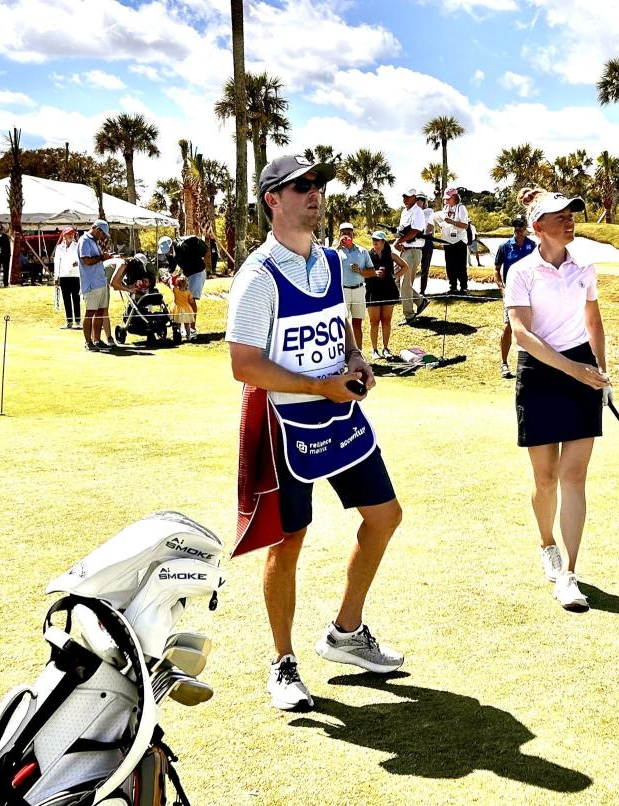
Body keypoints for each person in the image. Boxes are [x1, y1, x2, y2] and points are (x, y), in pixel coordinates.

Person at [226, 154, 404, 713]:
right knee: (289, 540)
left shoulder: (329, 260)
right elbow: (244, 364)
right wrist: (316, 385)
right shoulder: (258, 277)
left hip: (339, 412)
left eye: (318, 185)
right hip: (285, 424)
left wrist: (356, 359)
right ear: (271, 200)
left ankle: (345, 633)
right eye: (300, 186)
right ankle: (283, 662)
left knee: (385, 516)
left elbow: (338, 332)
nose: (315, 194)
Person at [504, 187, 610, 613]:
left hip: (582, 370)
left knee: (574, 477)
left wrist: (601, 373)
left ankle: (569, 573)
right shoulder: (521, 272)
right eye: (559, 215)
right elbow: (523, 334)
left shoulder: (585, 267)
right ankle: (546, 544)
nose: (569, 220)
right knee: (545, 478)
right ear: (537, 227)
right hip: (540, 373)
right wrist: (574, 371)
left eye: (572, 213)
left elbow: (593, 319)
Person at [493, 216, 537, 379]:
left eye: (521, 226)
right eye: (515, 226)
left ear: (526, 227)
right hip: (511, 293)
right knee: (508, 326)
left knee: (533, 327)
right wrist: (502, 288)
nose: (518, 229)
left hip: (531, 292)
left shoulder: (532, 246)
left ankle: (533, 363)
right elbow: (497, 270)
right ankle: (504, 363)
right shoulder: (505, 247)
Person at [367, 230, 406, 360]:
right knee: (374, 322)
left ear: (383, 242)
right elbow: (363, 271)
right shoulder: (368, 255)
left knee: (386, 321)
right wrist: (372, 273)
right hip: (373, 290)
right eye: (373, 239)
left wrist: (394, 276)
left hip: (388, 290)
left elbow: (405, 266)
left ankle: (385, 348)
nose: (374, 242)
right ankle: (374, 350)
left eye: (377, 240)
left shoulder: (390, 255)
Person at [392, 188, 429, 323]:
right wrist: (399, 241)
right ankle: (420, 301)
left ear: (414, 197)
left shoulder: (418, 211)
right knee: (397, 280)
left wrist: (400, 241)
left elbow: (415, 231)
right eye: (404, 196)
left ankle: (409, 315)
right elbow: (403, 231)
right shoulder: (404, 212)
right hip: (405, 250)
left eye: (408, 197)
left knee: (404, 284)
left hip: (413, 250)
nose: (405, 199)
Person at [335, 222, 373, 351]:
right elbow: (324, 261)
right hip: (342, 291)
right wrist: (338, 246)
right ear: (339, 234)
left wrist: (360, 271)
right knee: (341, 324)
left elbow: (372, 271)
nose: (346, 235)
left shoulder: (362, 251)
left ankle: (358, 352)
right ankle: (342, 354)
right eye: (343, 232)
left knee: (357, 323)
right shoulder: (335, 251)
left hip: (359, 289)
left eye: (349, 232)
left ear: (353, 234)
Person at [77, 220, 113, 351]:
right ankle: (88, 342)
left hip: (100, 282)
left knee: (100, 312)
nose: (103, 237)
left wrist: (103, 257)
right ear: (96, 229)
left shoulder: (93, 241)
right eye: (103, 234)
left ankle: (97, 340)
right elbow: (86, 260)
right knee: (90, 312)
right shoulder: (84, 240)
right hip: (91, 284)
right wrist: (102, 257)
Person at [440, 187, 469, 294]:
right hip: (447, 240)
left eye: (449, 198)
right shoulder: (445, 208)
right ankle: (452, 287)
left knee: (460, 265)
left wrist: (452, 222)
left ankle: (463, 287)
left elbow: (465, 225)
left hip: (459, 240)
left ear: (455, 197)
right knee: (450, 265)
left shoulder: (461, 208)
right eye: (446, 198)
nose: (447, 200)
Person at [53, 226, 81, 328]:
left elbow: (81, 259)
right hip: (64, 276)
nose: (70, 235)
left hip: (75, 275)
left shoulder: (77, 246)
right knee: (66, 299)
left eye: (72, 233)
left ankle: (78, 321)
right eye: (68, 233)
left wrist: (77, 263)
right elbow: (57, 263)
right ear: (64, 235)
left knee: (76, 298)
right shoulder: (59, 248)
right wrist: (56, 277)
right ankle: (69, 321)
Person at [416, 192, 435, 296]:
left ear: (424, 202)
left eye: (421, 200)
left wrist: (422, 234)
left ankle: (422, 290)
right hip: (415, 241)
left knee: (425, 266)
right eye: (417, 200)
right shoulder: (412, 212)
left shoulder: (429, 211)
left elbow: (429, 226)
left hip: (426, 241)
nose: (419, 202)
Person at [170, 273, 196, 340]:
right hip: (186, 309)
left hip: (177, 309)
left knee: (178, 324)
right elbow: (191, 301)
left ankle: (178, 337)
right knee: (187, 324)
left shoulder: (176, 290)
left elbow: (171, 285)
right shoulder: (188, 292)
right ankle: (188, 336)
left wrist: (170, 280)